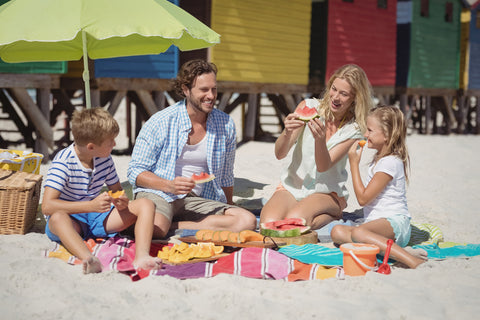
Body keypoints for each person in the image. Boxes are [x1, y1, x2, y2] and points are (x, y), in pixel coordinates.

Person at [127, 59, 257, 238]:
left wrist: (228, 206)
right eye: (204, 90)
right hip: (158, 193)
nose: (211, 96)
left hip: (197, 199)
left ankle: (170, 225)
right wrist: (169, 185)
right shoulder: (161, 121)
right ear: (186, 90)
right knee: (156, 230)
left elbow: (226, 175)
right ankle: (161, 224)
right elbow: (136, 171)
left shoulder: (225, 124)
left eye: (214, 89)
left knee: (246, 221)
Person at [42, 108, 161, 274]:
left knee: (146, 204)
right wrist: (90, 205)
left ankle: (141, 256)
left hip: (97, 217)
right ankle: (89, 258)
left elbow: (117, 190)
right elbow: (47, 206)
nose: (114, 144)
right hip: (71, 221)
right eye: (111, 141)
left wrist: (121, 201)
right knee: (57, 218)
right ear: (91, 147)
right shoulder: (63, 163)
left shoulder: (105, 159)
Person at [260, 64, 373, 230]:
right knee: (267, 224)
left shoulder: (355, 129)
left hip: (326, 192)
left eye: (343, 94)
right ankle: (303, 210)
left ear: (355, 98)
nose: (335, 97)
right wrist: (286, 133)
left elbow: (323, 166)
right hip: (292, 186)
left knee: (294, 222)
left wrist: (320, 140)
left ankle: (334, 213)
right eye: (334, 89)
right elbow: (280, 154)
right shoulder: (309, 107)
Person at [330, 105, 426, 268]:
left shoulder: (389, 162)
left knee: (359, 233)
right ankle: (387, 248)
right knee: (337, 232)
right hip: (377, 225)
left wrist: (353, 164)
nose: (365, 135)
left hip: (395, 224)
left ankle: (411, 260)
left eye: (370, 130)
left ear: (387, 135)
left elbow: (363, 199)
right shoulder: (380, 159)